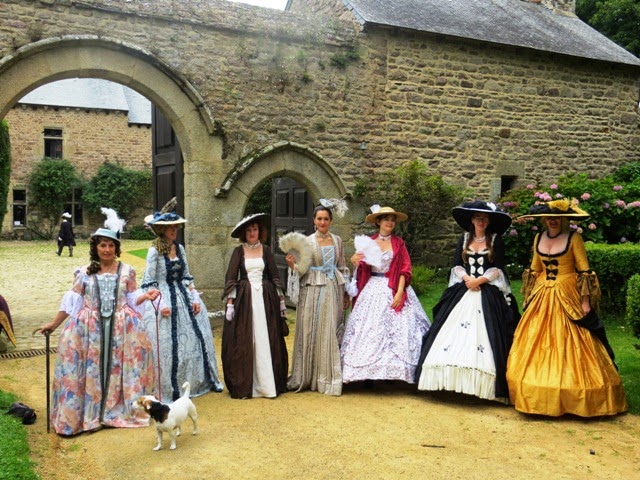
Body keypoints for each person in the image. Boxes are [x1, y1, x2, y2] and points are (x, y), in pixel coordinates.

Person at [39, 215, 161, 436]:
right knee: (89, 370)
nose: (107, 249)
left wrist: (146, 296)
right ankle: (89, 416)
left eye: (111, 245)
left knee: (120, 368)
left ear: (116, 248)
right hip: (89, 330)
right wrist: (54, 324)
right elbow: (73, 302)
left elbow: (132, 298)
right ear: (95, 248)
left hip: (122, 328)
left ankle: (113, 412)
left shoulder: (127, 271)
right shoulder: (83, 272)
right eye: (103, 245)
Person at [506, 199, 628, 417]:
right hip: (542, 293)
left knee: (576, 339)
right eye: (549, 218)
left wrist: (585, 302)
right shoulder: (538, 238)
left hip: (568, 293)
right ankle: (534, 390)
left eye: (557, 218)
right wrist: (528, 296)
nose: (553, 221)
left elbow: (584, 271)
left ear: (564, 219)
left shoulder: (574, 238)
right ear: (544, 220)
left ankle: (576, 394)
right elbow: (535, 269)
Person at [415, 201, 519, 402]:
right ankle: (448, 381)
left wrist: (480, 280)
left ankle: (484, 386)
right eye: (478, 218)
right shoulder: (464, 239)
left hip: (487, 289)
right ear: (472, 220)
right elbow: (456, 265)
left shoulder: (495, 240)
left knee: (491, 332)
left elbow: (499, 268)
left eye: (484, 218)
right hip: (465, 287)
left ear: (489, 221)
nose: (481, 221)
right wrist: (467, 279)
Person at [141, 199, 223, 401]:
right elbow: (149, 282)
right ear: (161, 229)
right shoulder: (154, 251)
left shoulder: (180, 249)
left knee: (194, 340)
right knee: (168, 346)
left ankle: (195, 382)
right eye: (170, 227)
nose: (174, 230)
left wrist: (194, 296)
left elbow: (186, 276)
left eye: (176, 226)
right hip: (163, 299)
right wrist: (160, 304)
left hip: (183, 297)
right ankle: (169, 388)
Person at [340, 205, 430, 386]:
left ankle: (392, 373)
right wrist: (355, 260)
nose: (390, 222)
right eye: (386, 219)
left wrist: (399, 292)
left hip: (394, 287)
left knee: (398, 329)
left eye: (392, 220)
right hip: (372, 288)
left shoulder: (399, 243)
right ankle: (367, 374)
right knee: (370, 329)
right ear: (378, 222)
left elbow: (405, 270)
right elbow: (361, 268)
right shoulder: (368, 242)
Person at [284, 199, 350, 396]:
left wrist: (346, 292)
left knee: (330, 329)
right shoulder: (307, 242)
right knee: (310, 328)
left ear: (331, 221)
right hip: (312, 289)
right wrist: (292, 266)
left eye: (326, 219)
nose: (322, 222)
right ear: (314, 220)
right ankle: (307, 376)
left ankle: (327, 377)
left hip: (333, 289)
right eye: (319, 219)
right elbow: (302, 269)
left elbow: (342, 266)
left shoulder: (337, 241)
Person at [222, 213, 289, 399]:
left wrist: (281, 302)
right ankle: (248, 384)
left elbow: (274, 276)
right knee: (246, 338)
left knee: (267, 336)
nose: (252, 233)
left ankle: (268, 384)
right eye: (249, 230)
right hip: (245, 300)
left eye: (255, 229)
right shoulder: (239, 252)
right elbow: (231, 278)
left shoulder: (266, 251)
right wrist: (230, 304)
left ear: (260, 231)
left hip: (266, 300)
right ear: (244, 233)